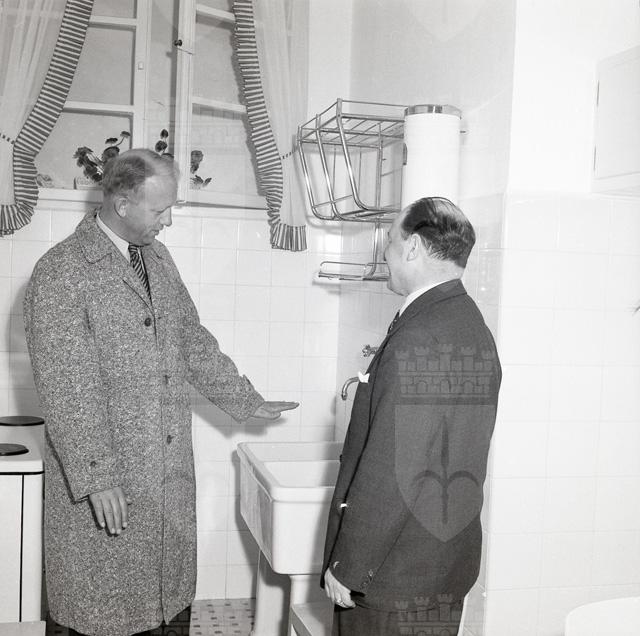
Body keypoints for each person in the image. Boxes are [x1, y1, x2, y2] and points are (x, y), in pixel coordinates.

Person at [23, 149, 298, 636]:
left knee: (162, 608)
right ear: (122, 204)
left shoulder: (157, 258)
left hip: (164, 480)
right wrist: (98, 477)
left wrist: (244, 398)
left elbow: (190, 339)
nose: (168, 220)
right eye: (160, 209)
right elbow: (67, 387)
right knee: (101, 612)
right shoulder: (61, 271)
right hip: (109, 481)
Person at [322, 197, 501, 635]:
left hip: (392, 579)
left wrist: (350, 565)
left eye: (390, 242)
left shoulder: (421, 336)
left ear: (414, 247)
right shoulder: (469, 324)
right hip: (438, 568)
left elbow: (392, 471)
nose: (385, 254)